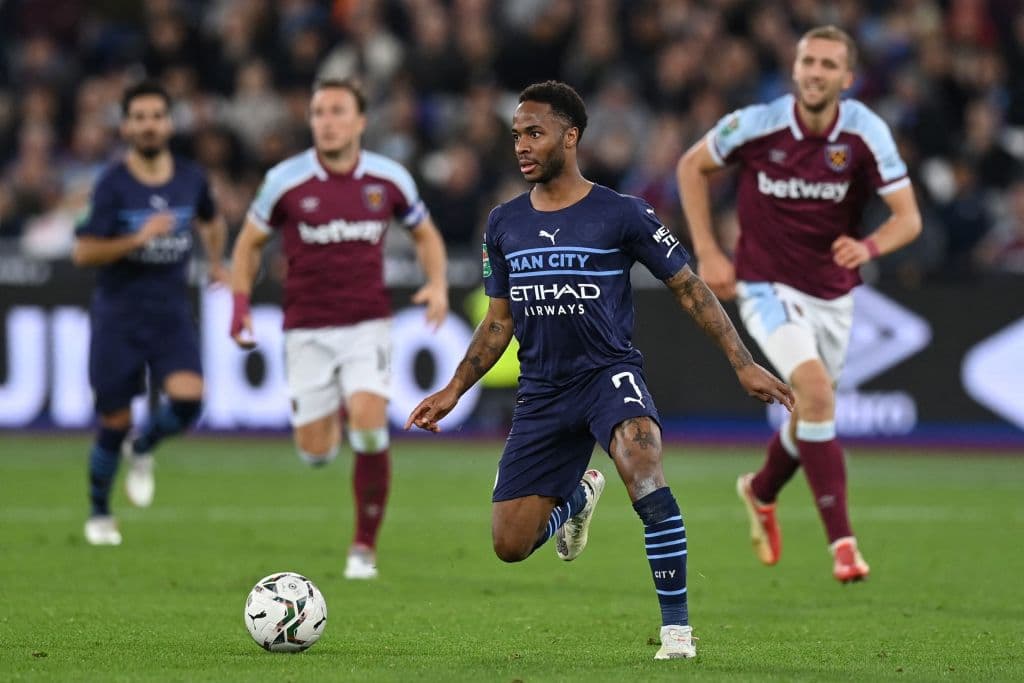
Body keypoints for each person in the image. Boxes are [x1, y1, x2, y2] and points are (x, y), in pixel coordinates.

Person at [406, 80, 793, 660]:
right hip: (541, 391)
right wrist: (453, 390)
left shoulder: (623, 213)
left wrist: (744, 363)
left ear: (571, 136)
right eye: (516, 135)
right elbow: (498, 323)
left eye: (535, 133)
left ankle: (677, 635)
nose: (522, 146)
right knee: (510, 545)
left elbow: (690, 288)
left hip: (607, 375)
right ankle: (578, 497)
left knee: (644, 467)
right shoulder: (504, 223)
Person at [677, 25, 923, 582]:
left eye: (828, 65)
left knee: (813, 407)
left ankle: (761, 489)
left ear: (847, 78)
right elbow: (691, 166)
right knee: (816, 393)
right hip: (765, 284)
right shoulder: (757, 123)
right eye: (808, 61)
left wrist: (868, 247)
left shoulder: (864, 132)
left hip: (833, 293)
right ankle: (844, 545)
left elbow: (908, 218)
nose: (815, 72)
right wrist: (709, 252)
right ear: (794, 69)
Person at [229, 78, 448, 580]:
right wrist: (240, 304)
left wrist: (437, 284)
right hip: (304, 329)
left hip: (367, 324)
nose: (327, 121)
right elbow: (248, 245)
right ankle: (331, 418)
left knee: (369, 427)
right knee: (316, 453)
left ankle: (363, 547)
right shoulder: (284, 180)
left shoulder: (389, 178)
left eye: (337, 111)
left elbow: (426, 234)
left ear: (360, 121)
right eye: (319, 112)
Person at [73, 80, 228, 545]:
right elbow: (84, 252)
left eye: (156, 116)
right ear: (125, 126)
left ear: (169, 123)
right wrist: (137, 238)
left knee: (189, 400)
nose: (148, 125)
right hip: (118, 315)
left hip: (170, 312)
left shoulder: (190, 177)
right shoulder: (112, 184)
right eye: (138, 118)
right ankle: (100, 513)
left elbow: (211, 219)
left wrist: (216, 261)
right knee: (113, 421)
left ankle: (142, 446)